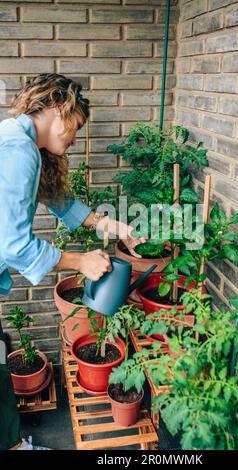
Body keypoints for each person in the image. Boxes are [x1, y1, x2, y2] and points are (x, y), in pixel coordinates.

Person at [0, 73, 144, 450]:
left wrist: (107, 224)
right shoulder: (18, 150)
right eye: (76, 125)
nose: (76, 137)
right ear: (57, 107)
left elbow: (58, 199)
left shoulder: (22, 142)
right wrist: (80, 261)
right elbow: (14, 245)